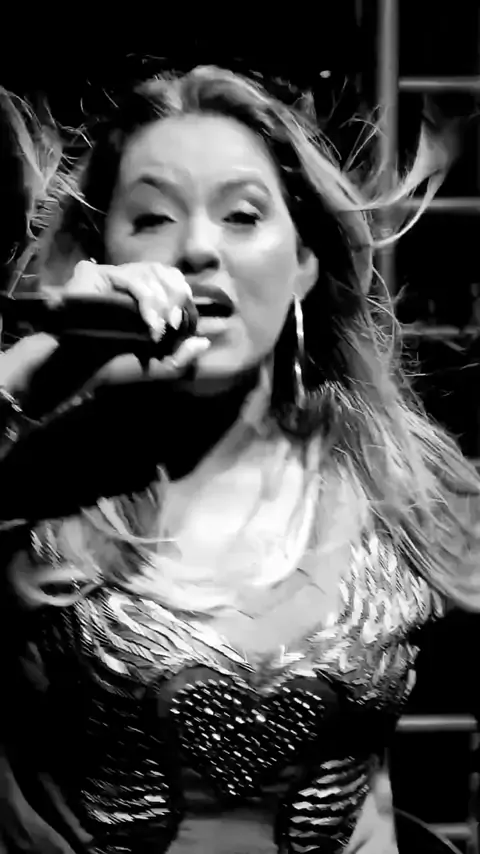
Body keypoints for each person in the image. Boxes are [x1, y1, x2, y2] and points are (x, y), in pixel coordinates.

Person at [0, 65, 476, 854]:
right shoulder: (33, 477)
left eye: (242, 215)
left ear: (303, 263)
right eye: (152, 218)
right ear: (102, 253)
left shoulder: (394, 478)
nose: (196, 248)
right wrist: (43, 366)